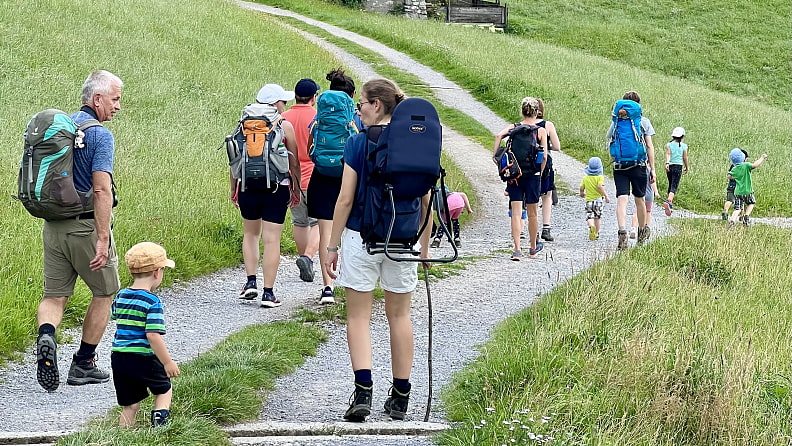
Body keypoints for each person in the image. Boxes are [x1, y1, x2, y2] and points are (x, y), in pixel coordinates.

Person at [324, 78, 431, 422]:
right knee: (399, 315)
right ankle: (400, 397)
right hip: (403, 239)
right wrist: (424, 246)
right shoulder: (418, 141)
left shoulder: (357, 143)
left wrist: (331, 245)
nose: (358, 110)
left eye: (361, 104)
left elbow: (344, 199)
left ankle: (363, 394)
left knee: (358, 317)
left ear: (378, 106)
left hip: (361, 237)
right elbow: (427, 200)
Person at [35, 70, 124, 393]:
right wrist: (102, 237)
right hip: (85, 226)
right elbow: (101, 190)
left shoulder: (61, 127)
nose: (117, 107)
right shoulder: (100, 135)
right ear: (96, 99)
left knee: (54, 296)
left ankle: (47, 334)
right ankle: (83, 363)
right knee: (104, 292)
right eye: (114, 100)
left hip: (53, 226)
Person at [232, 83, 301, 307]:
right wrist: (296, 188)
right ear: (275, 103)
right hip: (277, 188)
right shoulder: (284, 125)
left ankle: (250, 283)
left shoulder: (243, 124)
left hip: (247, 186)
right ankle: (268, 293)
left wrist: (233, 187)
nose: (285, 105)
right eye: (283, 101)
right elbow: (294, 162)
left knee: (250, 235)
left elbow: (234, 160)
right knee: (272, 240)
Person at [307, 68, 361, 305]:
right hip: (348, 177)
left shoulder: (319, 117)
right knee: (350, 233)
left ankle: (327, 288)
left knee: (326, 234)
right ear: (351, 96)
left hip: (321, 177)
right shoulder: (355, 118)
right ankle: (351, 283)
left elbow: (310, 148)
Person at [111, 242, 178, 428]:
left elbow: (114, 314)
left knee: (130, 404)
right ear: (157, 272)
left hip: (119, 358)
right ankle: (160, 425)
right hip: (143, 358)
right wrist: (167, 362)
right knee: (164, 389)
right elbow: (153, 336)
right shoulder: (152, 301)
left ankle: (123, 435)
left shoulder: (121, 295)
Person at [493, 97, 548, 260]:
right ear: (537, 112)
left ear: (522, 111)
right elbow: (544, 156)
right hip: (532, 176)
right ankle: (532, 247)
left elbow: (498, 136)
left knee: (516, 213)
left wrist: (496, 157)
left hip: (514, 176)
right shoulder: (540, 131)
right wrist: (539, 171)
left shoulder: (514, 127)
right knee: (532, 214)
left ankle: (516, 250)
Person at [607, 90, 656, 250]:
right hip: (639, 165)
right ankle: (642, 232)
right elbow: (649, 146)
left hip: (620, 165)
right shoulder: (643, 121)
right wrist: (653, 169)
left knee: (622, 199)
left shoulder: (616, 122)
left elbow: (610, 141)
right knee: (639, 199)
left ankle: (622, 231)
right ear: (638, 105)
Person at [282, 78, 321, 284]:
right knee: (318, 223)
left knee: (299, 222)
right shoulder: (317, 116)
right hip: (314, 176)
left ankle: (304, 261)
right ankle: (308, 257)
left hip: (291, 178)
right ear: (313, 98)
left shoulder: (283, 117)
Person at [535, 98, 562, 242]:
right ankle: (546, 228)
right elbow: (557, 146)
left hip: (526, 164)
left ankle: (529, 229)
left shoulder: (523, 125)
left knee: (530, 196)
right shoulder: (547, 125)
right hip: (545, 163)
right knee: (547, 196)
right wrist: (546, 146)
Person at [727, 148, 768, 226]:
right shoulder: (746, 165)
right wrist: (762, 158)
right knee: (751, 203)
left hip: (738, 192)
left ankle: (732, 220)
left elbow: (729, 176)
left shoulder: (734, 169)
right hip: (748, 191)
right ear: (743, 158)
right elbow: (755, 165)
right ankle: (746, 216)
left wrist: (735, 177)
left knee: (737, 208)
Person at [579, 157, 610, 240]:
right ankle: (596, 233)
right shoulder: (600, 177)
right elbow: (600, 186)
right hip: (598, 201)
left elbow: (582, 188)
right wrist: (606, 196)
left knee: (589, 216)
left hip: (589, 201)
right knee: (597, 217)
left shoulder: (586, 178)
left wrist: (582, 193)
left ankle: (591, 226)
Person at [661, 126, 689, 216]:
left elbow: (668, 154)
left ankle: (670, 206)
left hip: (669, 166)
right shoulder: (684, 146)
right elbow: (685, 157)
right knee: (674, 185)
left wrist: (667, 163)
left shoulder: (669, 145)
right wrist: (687, 167)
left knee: (670, 183)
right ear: (682, 136)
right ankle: (669, 201)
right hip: (678, 166)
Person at [629, 174, 659, 240]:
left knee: (637, 211)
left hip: (640, 193)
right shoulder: (651, 170)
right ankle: (646, 228)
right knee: (648, 212)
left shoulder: (638, 168)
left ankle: (633, 228)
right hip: (649, 195)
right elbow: (653, 182)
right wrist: (656, 192)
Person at [722, 149, 748, 220]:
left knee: (729, 200)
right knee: (740, 203)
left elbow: (729, 175)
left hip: (731, 186)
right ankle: (741, 216)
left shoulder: (733, 166)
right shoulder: (744, 167)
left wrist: (733, 177)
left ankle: (725, 211)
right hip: (739, 188)